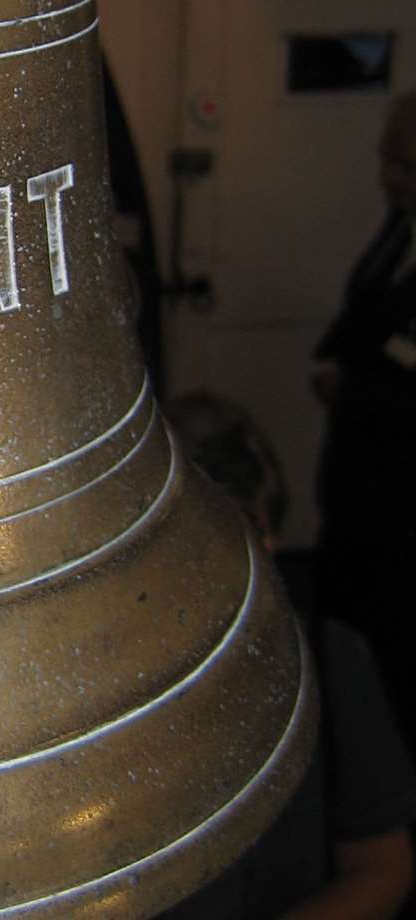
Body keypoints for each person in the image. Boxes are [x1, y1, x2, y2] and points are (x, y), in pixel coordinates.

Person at [162, 392, 416, 919]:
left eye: (242, 534)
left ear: (267, 535)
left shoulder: (328, 661)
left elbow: (383, 866)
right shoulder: (102, 689)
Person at [312, 91, 416, 760]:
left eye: (402, 165)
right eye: (384, 159)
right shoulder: (397, 228)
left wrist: (354, 387)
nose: (384, 177)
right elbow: (364, 315)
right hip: (357, 494)